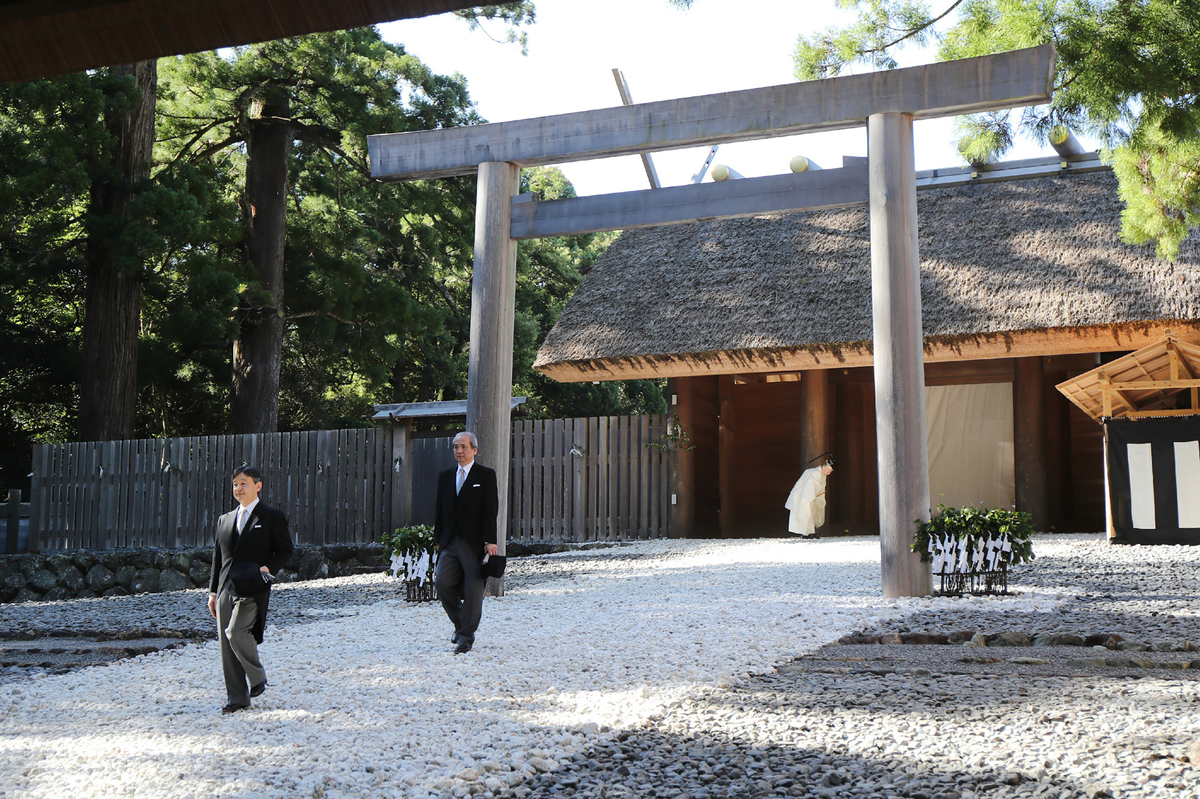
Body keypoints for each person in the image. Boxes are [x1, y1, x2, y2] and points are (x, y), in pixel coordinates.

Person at [207, 465, 294, 713]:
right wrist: (213, 592)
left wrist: (268, 568)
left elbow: (286, 549)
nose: (238, 488)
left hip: (253, 586)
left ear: (258, 485)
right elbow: (217, 558)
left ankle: (257, 677)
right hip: (225, 587)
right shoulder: (224, 520)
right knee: (226, 643)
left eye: (243, 483)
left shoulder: (271, 516)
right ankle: (237, 699)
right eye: (235, 484)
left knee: (236, 632)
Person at [433, 431, 499, 654]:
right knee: (442, 583)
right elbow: (439, 511)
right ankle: (462, 625)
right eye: (455, 447)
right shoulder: (445, 475)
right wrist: (438, 540)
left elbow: (491, 511)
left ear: (474, 450)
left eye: (463, 447)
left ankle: (465, 637)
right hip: (449, 542)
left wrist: (490, 540)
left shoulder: (485, 475)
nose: (459, 451)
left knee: (472, 589)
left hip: (474, 543)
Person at [785, 455, 834, 538]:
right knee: (805, 512)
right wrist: (811, 497)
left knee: (811, 513)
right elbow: (809, 487)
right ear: (825, 467)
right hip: (804, 496)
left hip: (812, 496)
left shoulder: (822, 475)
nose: (829, 473)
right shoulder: (813, 472)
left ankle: (810, 531)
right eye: (829, 471)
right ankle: (806, 533)